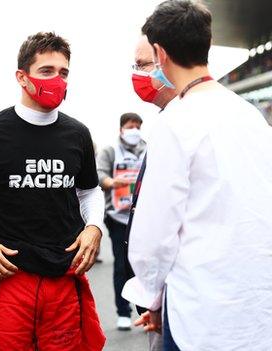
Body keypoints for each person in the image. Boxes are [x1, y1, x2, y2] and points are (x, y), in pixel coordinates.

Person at [0, 32, 105, 350]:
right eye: (46, 71)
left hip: (63, 277)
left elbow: (90, 191)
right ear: (22, 77)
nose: (57, 79)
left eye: (63, 72)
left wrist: (94, 226)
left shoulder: (77, 133)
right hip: (8, 277)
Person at [122, 1, 272, 350]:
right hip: (256, 309)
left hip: (199, 314)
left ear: (160, 52)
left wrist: (151, 296)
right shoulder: (250, 116)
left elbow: (154, 236)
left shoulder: (175, 123)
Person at [123, 34, 178, 351]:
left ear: (164, 61)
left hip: (179, 297)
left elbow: (163, 224)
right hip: (167, 296)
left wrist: (154, 298)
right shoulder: (165, 123)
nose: (137, 73)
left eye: (143, 65)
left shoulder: (180, 126)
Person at [96, 112, 146, 330]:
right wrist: (111, 182)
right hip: (118, 217)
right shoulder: (110, 151)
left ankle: (146, 310)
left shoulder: (148, 149)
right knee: (122, 265)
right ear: (121, 129)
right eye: (130, 126)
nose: (134, 130)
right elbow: (98, 174)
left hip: (144, 216)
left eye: (137, 126)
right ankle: (123, 311)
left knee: (145, 264)